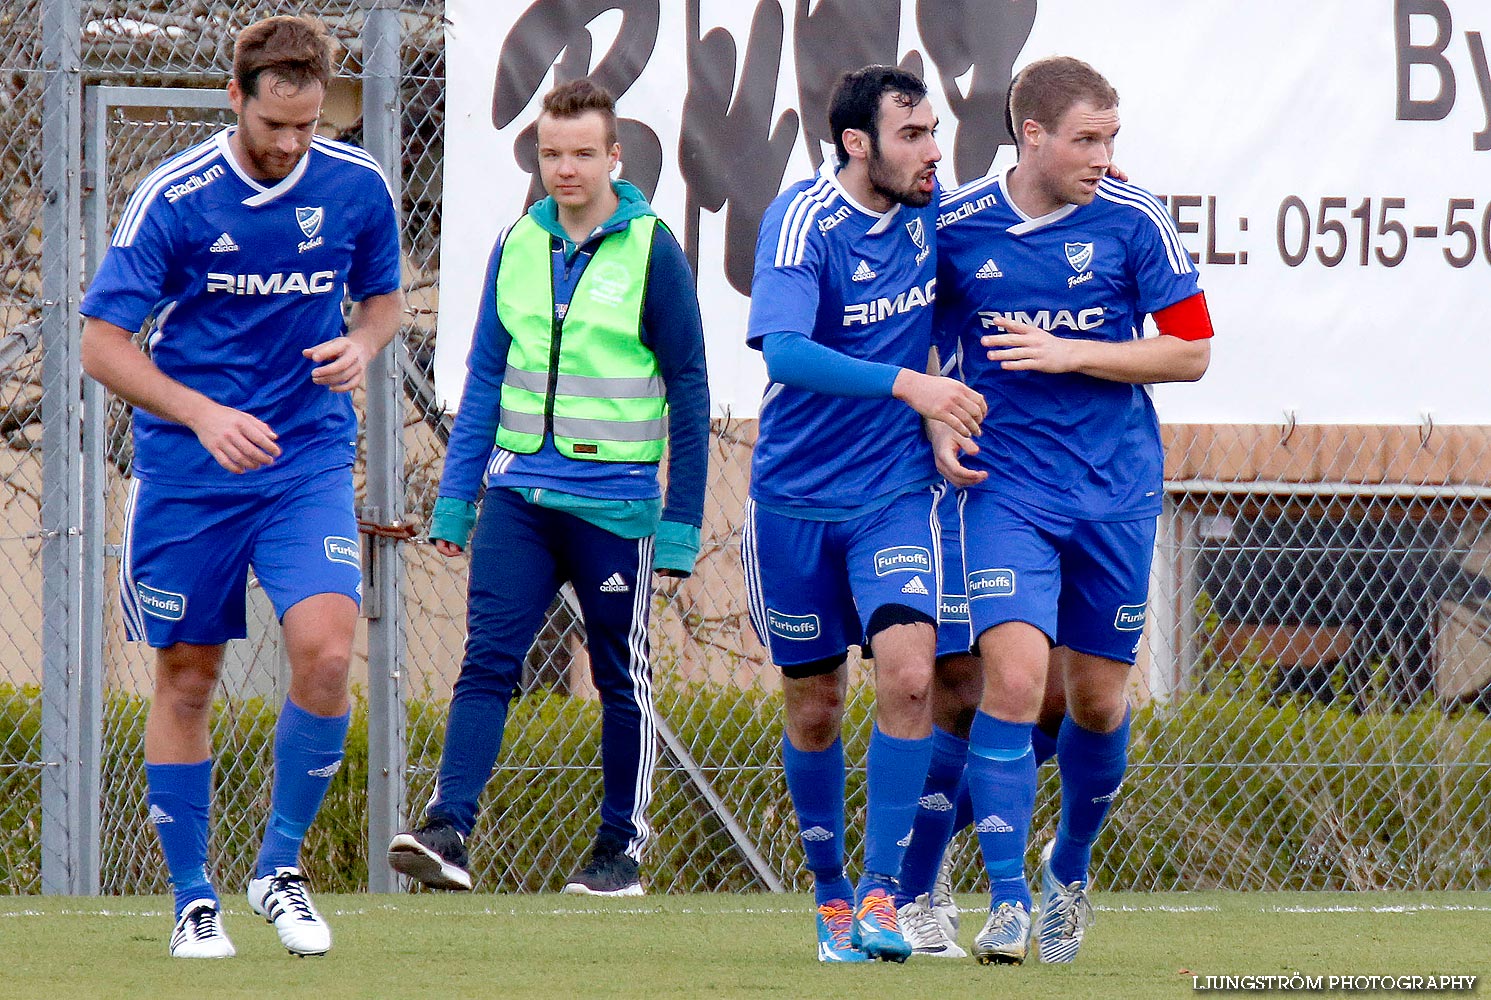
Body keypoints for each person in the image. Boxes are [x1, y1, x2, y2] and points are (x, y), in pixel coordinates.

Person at [78, 15, 403, 959]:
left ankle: (280, 868)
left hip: (303, 458)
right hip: (191, 471)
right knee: (188, 676)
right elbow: (101, 346)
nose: (291, 146)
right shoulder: (172, 199)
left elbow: (381, 298)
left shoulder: (356, 188)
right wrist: (201, 414)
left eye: (308, 128)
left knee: (329, 650)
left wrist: (365, 344)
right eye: (274, 129)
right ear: (236, 98)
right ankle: (193, 899)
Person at [386, 79, 708, 898]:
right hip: (519, 498)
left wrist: (678, 526)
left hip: (617, 508)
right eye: (551, 153)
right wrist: (457, 500)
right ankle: (446, 829)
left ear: (614, 158)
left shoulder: (652, 250)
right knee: (486, 660)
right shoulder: (517, 244)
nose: (565, 169)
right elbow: (486, 377)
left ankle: (618, 851)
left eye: (582, 154)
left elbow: (691, 388)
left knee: (617, 675)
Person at [932, 55, 1213, 965]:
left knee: (1094, 701)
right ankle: (1006, 900)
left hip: (1115, 491)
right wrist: (936, 421)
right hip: (1005, 489)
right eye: (1086, 138)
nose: (1103, 154)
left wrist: (1069, 352)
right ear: (1032, 137)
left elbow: (1190, 354)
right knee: (1011, 682)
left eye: (1111, 138)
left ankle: (1069, 871)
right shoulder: (958, 226)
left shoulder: (1135, 220)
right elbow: (923, 349)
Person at [742, 65, 986, 963]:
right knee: (814, 708)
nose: (932, 152)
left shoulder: (932, 212)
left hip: (891, 496)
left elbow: (975, 295)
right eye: (913, 136)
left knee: (914, 678)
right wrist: (910, 384)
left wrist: (932, 414)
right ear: (857, 144)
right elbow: (787, 351)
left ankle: (886, 894)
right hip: (795, 501)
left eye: (933, 132)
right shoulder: (804, 219)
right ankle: (832, 897)